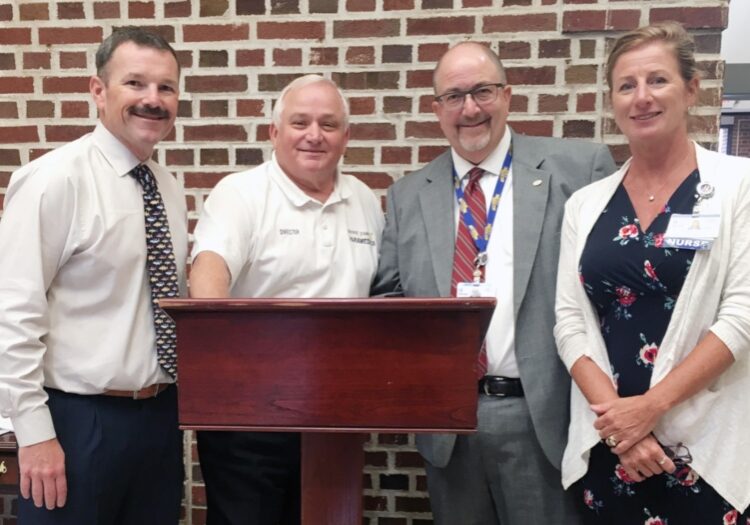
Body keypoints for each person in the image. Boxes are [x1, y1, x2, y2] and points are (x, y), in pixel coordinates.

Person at [371, 42, 615, 524]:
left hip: (543, 417)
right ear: (436, 108)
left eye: (482, 91)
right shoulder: (407, 196)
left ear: (507, 95)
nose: (470, 109)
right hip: (449, 424)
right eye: (455, 96)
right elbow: (390, 304)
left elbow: (608, 293)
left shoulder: (579, 170)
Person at [554, 21, 750, 524]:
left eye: (657, 80)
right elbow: (569, 324)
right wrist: (623, 428)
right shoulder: (585, 205)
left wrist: (649, 410)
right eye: (627, 85)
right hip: (613, 446)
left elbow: (742, 315)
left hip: (705, 445)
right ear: (613, 101)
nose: (642, 97)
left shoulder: (738, 187)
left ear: (691, 90)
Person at [0, 27, 187, 524]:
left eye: (166, 87)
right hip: (76, 423)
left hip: (159, 418)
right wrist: (34, 432)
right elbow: (11, 314)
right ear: (98, 91)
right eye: (135, 84)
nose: (153, 99)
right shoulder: (53, 181)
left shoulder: (167, 186)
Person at [189, 74, 384, 525]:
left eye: (328, 124)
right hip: (251, 420)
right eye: (300, 122)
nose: (314, 135)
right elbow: (209, 271)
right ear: (274, 133)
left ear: (346, 136)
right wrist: (228, 372)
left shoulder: (364, 202)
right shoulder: (241, 193)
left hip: (336, 420)